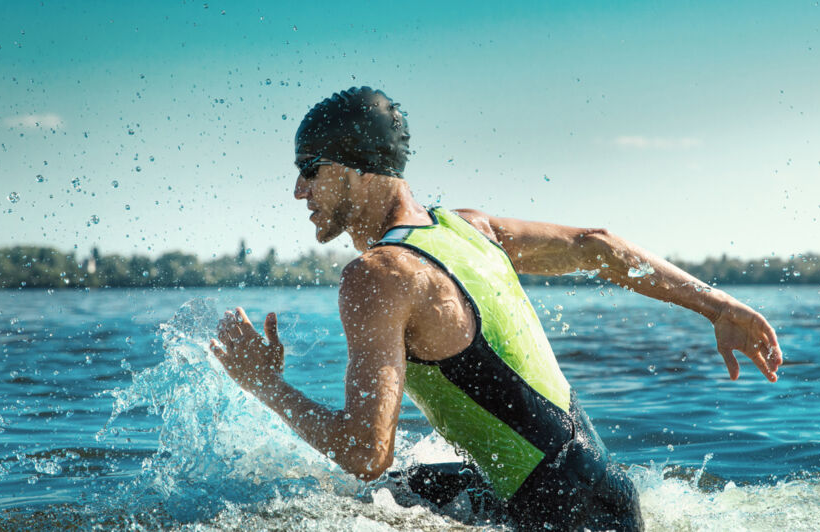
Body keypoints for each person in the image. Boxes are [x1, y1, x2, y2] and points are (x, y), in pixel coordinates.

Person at [210, 86, 783, 531]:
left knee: (338, 500)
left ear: (355, 167)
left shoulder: (377, 276)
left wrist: (264, 384)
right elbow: (599, 245)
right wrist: (719, 306)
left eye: (309, 168)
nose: (298, 191)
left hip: (558, 518)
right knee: (383, 499)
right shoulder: (466, 228)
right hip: (607, 495)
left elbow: (366, 450)